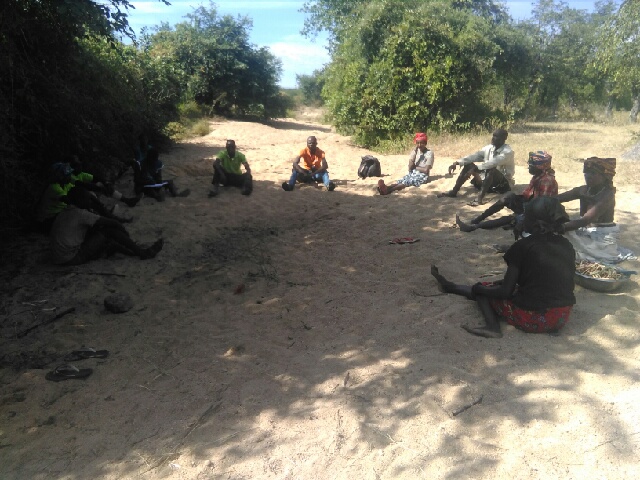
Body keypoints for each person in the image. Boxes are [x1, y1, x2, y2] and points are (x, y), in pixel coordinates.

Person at [431, 196, 576, 338]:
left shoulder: (522, 247)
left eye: (525, 216)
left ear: (535, 223)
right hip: (562, 316)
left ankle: (492, 327)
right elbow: (548, 278)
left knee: (483, 290)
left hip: (536, 318)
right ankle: (451, 287)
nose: (521, 219)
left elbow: (505, 292)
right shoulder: (566, 245)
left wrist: (479, 289)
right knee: (495, 285)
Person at [50, 186, 163, 265]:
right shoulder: (81, 214)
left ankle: (133, 250)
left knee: (106, 237)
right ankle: (141, 252)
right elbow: (112, 223)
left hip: (58, 257)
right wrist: (123, 231)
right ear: (80, 200)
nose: (89, 202)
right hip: (71, 258)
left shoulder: (65, 212)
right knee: (110, 231)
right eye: (87, 199)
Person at [456, 151, 558, 232]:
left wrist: (523, 215)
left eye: (532, 165)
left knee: (511, 218)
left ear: (541, 166)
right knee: (508, 197)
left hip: (538, 213)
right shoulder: (539, 176)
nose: (529, 166)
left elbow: (542, 206)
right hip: (531, 204)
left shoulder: (546, 181)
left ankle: (475, 226)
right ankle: (479, 219)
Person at [555, 157, 621, 263]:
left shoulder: (607, 195)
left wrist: (558, 227)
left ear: (605, 176)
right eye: (586, 173)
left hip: (601, 236)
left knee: (568, 252)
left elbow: (585, 220)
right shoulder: (583, 190)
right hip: (584, 230)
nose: (588, 176)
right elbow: (557, 199)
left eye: (593, 173)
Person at [437, 128, 515, 206]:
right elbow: (475, 156)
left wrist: (475, 168)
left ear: (504, 138)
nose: (493, 138)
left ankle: (479, 199)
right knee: (468, 165)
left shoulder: (508, 152)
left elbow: (492, 163)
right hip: (488, 182)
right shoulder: (489, 148)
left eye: (496, 136)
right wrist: (457, 163)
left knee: (492, 169)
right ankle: (454, 192)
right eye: (493, 136)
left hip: (502, 185)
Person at [68, 155, 140, 207]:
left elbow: (96, 178)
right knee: (91, 194)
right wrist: (101, 188)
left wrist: (106, 183)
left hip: (79, 196)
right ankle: (102, 210)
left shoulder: (80, 174)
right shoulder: (70, 177)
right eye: (77, 165)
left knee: (101, 186)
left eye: (80, 165)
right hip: (71, 200)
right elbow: (84, 185)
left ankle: (126, 200)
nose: (80, 167)